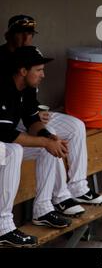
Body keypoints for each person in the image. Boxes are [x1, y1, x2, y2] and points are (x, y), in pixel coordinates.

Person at [0, 15, 102, 217]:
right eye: (21, 33)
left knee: (75, 126)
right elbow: (6, 128)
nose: (26, 38)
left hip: (27, 117)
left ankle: (78, 188)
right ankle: (60, 197)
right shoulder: (2, 60)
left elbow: (29, 106)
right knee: (41, 141)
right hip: (9, 123)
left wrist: (40, 121)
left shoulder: (32, 55)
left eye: (30, 34)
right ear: (9, 35)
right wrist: (44, 137)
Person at [0, 46, 73, 247]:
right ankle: (3, 227)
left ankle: (42, 208)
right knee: (13, 151)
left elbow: (33, 120)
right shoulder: (3, 86)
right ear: (23, 71)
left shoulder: (27, 88)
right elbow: (6, 134)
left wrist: (50, 138)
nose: (43, 74)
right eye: (38, 70)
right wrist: (45, 142)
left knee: (47, 146)